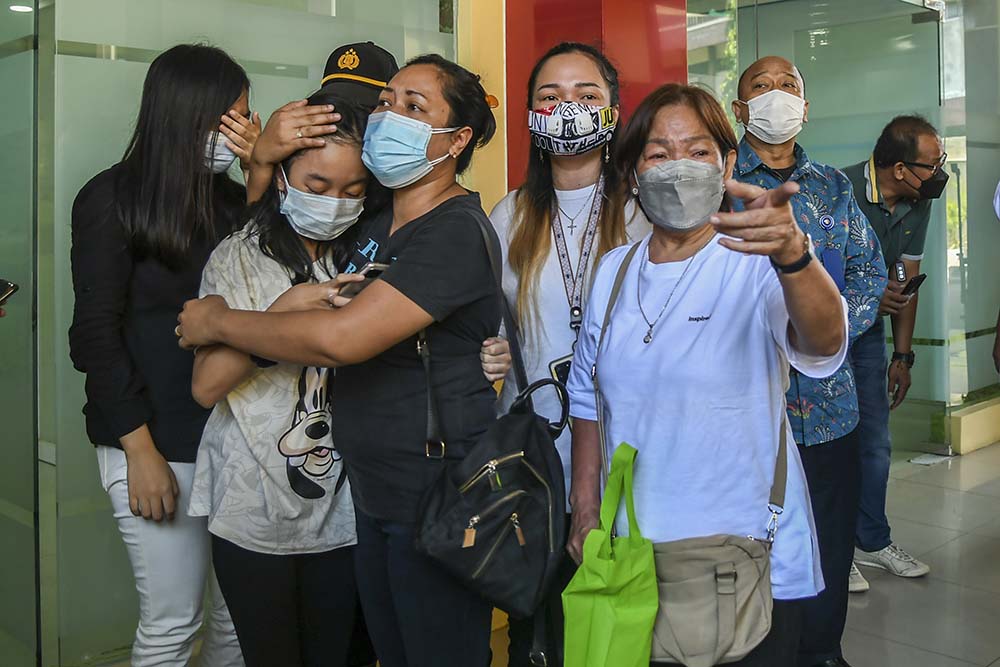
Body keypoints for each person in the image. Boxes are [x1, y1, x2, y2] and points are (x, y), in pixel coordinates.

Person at [176, 54, 501, 667]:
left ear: (458, 139)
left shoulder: (451, 229)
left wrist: (217, 320)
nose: (390, 117)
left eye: (414, 107)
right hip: (369, 500)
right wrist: (264, 155)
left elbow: (341, 339)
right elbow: (275, 226)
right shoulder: (380, 227)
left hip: (430, 496)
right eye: (387, 102)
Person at [565, 82, 847, 667]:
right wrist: (584, 504)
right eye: (658, 153)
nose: (678, 168)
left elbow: (824, 342)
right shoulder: (615, 271)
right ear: (634, 174)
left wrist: (794, 255)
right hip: (634, 552)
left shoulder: (757, 259)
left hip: (744, 558)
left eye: (697, 152)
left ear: (728, 164)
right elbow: (588, 396)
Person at [68, 44, 257, 667]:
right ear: (188, 114)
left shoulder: (236, 203)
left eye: (246, 116)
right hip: (149, 439)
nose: (241, 130)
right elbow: (94, 335)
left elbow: (272, 298)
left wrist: (262, 174)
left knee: (237, 622)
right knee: (173, 623)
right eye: (232, 116)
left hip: (232, 438)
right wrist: (139, 453)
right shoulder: (111, 198)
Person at [187, 87, 376, 666]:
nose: (335, 202)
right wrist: (281, 316)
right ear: (285, 179)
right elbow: (206, 386)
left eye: (352, 191)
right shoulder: (237, 256)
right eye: (318, 186)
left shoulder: (367, 258)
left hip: (344, 510)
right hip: (252, 509)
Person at [488, 41, 649, 666]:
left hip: (625, 444)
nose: (567, 110)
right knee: (540, 614)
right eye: (550, 97)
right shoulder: (512, 215)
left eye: (587, 96)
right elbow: (489, 325)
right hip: (534, 450)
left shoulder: (641, 213)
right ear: (531, 114)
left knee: (615, 608)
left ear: (613, 111)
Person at [731, 56, 887, 667]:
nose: (776, 96)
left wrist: (823, 327)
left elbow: (872, 271)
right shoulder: (719, 181)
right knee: (748, 550)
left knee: (827, 540)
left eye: (788, 86)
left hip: (828, 412)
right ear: (739, 109)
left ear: (805, 105)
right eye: (760, 87)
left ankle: (822, 652)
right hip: (746, 408)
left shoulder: (834, 187)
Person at [843, 116, 948, 588]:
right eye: (934, 163)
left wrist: (902, 357)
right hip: (820, 336)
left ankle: (873, 539)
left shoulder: (917, 203)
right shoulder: (837, 190)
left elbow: (906, 280)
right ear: (901, 168)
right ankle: (835, 546)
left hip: (867, 339)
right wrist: (866, 297)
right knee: (828, 444)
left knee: (875, 443)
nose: (940, 173)